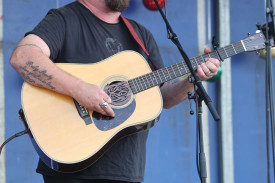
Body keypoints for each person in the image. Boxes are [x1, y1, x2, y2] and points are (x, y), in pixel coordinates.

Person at [9, 0, 220, 183]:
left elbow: (163, 98)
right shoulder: (64, 19)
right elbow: (23, 57)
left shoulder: (140, 35)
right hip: (72, 164)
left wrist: (193, 79)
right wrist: (80, 90)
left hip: (126, 170)